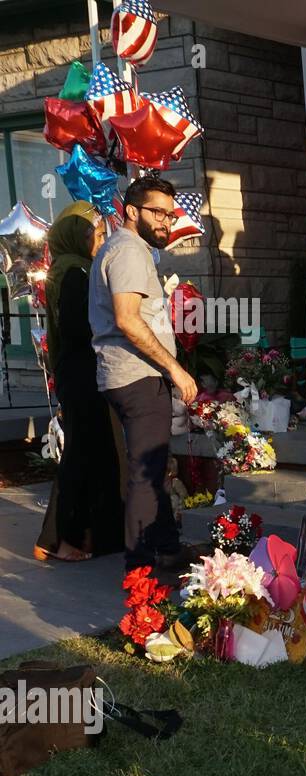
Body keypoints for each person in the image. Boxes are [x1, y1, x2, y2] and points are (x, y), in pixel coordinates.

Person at [89, 176, 198, 578]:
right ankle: (139, 572)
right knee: (146, 472)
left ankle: (167, 550)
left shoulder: (127, 250)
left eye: (170, 214)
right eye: (158, 212)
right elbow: (128, 321)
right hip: (137, 377)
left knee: (153, 464)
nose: (167, 222)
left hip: (132, 375)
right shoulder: (129, 252)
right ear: (132, 211)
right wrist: (175, 368)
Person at [33, 201, 125, 562]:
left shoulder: (72, 268)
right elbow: (76, 328)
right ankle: (54, 539)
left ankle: (95, 535)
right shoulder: (73, 272)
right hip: (82, 373)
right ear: (77, 236)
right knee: (80, 455)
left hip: (82, 373)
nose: (100, 241)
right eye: (97, 234)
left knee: (98, 455)